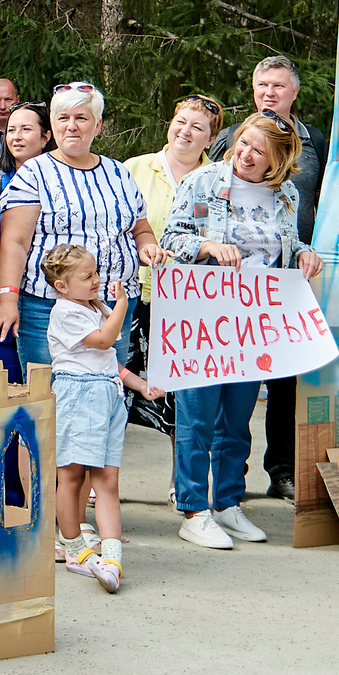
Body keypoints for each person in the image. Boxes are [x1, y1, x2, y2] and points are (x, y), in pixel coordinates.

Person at [162, 113, 323, 549]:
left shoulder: (286, 194)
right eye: (244, 144)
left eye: (259, 152)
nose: (246, 156)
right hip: (202, 317)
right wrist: (208, 246)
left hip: (255, 322)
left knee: (236, 418)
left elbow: (286, 243)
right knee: (197, 415)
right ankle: (194, 509)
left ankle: (229, 503)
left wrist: (305, 254)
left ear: (280, 161)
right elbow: (173, 238)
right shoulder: (204, 182)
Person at [0, 83, 159, 386]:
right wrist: (8, 300)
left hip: (112, 307)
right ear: (52, 126)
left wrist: (148, 248)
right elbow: (15, 242)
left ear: (98, 125)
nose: (72, 126)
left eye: (81, 118)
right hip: (49, 307)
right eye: (63, 118)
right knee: (51, 400)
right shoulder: (35, 172)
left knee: (105, 392)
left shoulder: (119, 173)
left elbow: (141, 230)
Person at [207, 55, 324, 499]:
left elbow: (324, 200)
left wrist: (308, 253)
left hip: (290, 278)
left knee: (285, 379)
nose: (269, 92)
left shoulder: (315, 141)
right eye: (262, 85)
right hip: (229, 285)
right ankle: (221, 482)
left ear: (294, 92)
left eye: (278, 86)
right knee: (230, 382)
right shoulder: (233, 141)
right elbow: (205, 198)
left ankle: (281, 470)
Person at [42, 244, 156, 592]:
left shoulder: (93, 308)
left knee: (107, 479)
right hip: (79, 395)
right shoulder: (66, 312)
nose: (96, 280)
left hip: (105, 395)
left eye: (95, 272)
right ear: (62, 286)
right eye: (87, 276)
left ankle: (111, 553)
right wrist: (123, 305)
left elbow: (109, 364)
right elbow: (105, 342)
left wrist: (140, 385)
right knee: (72, 475)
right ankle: (74, 546)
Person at [120, 95, 219, 433]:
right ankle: (103, 480)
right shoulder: (133, 167)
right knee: (120, 387)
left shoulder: (218, 180)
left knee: (180, 396)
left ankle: (179, 483)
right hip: (134, 292)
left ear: (211, 138)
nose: (185, 132)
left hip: (189, 300)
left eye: (197, 127)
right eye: (181, 122)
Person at [0, 101, 51, 375]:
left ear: (46, 136)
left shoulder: (61, 185)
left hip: (45, 295)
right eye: (11, 130)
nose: (16, 136)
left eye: (26, 129)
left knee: (42, 383)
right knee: (1, 385)